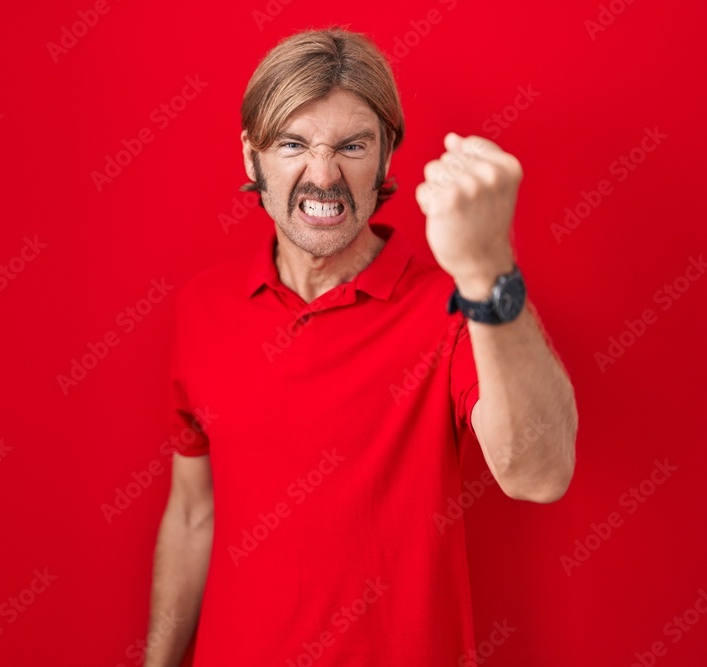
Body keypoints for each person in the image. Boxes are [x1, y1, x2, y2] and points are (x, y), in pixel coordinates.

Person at [143, 26, 577, 666]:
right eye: (293, 144)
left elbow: (541, 475)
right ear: (250, 157)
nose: (323, 175)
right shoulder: (202, 308)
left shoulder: (457, 310)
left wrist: (487, 269)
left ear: (386, 158)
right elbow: (191, 513)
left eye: (352, 145)